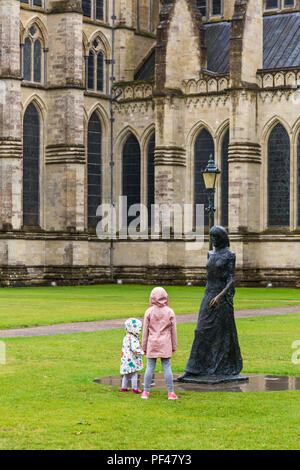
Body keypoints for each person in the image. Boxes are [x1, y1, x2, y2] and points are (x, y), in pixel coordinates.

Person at [177, 226, 243, 382]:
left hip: (222, 299)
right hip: (208, 294)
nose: (213, 240)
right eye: (211, 237)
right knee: (200, 330)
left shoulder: (230, 255)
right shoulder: (210, 253)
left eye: (215, 237)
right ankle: (193, 370)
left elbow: (231, 280)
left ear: (222, 238)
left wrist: (220, 297)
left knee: (222, 334)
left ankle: (220, 368)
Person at [141, 287, 178, 400]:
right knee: (167, 367)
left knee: (150, 367)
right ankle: (171, 392)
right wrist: (174, 346)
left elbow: (145, 331)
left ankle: (146, 392)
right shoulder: (169, 311)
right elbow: (173, 331)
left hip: (152, 342)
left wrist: (144, 346)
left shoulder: (149, 311)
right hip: (165, 343)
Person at [120, 318, 144, 394]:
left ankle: (123, 387)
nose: (140, 331)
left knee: (126, 374)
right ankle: (134, 388)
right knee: (134, 373)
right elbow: (135, 349)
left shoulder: (126, 337)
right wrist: (142, 352)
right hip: (132, 359)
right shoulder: (133, 338)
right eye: (139, 329)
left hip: (125, 359)